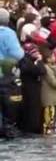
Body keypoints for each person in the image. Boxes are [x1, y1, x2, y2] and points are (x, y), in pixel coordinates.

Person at [0, 8, 24, 138]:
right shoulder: (8, 33)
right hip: (6, 72)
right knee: (6, 101)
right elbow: (18, 54)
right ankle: (6, 128)